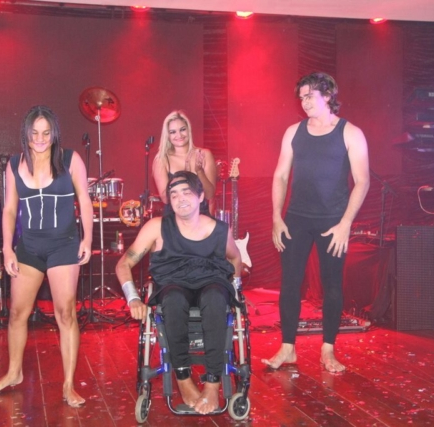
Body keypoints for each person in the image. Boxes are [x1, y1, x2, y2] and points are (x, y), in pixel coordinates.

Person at [0, 105, 93, 407]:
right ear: (26, 135)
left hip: (64, 246)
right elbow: (9, 209)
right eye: (35, 133)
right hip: (29, 247)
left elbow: (85, 200)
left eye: (46, 133)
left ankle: (69, 384)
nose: (41, 139)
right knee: (17, 313)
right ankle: (13, 373)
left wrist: (87, 238)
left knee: (65, 313)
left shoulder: (70, 160)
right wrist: (7, 248)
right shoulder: (14, 164)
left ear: (54, 133)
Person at [261, 72, 370, 373]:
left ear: (328, 95)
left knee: (332, 284)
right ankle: (288, 348)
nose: (304, 102)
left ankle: (328, 351)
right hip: (296, 218)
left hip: (333, 220)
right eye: (301, 97)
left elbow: (362, 181)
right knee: (290, 283)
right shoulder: (293, 132)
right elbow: (280, 175)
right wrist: (276, 217)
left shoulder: (350, 133)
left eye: (310, 95)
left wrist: (346, 223)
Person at [116, 171, 242, 415]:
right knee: (173, 299)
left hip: (211, 283)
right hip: (173, 284)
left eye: (186, 192)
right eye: (174, 194)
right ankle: (183, 380)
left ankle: (213, 384)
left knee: (215, 297)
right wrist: (133, 298)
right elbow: (124, 263)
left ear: (200, 196)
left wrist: (236, 291)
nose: (180, 198)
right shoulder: (157, 227)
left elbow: (235, 258)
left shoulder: (218, 230)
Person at [152, 110, 217, 216]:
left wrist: (199, 172)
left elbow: (210, 195)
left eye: (182, 129)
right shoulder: (162, 159)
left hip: (201, 218)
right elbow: (165, 199)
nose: (179, 135)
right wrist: (186, 177)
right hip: (174, 219)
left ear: (188, 130)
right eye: (173, 132)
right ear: (167, 136)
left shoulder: (204, 154)